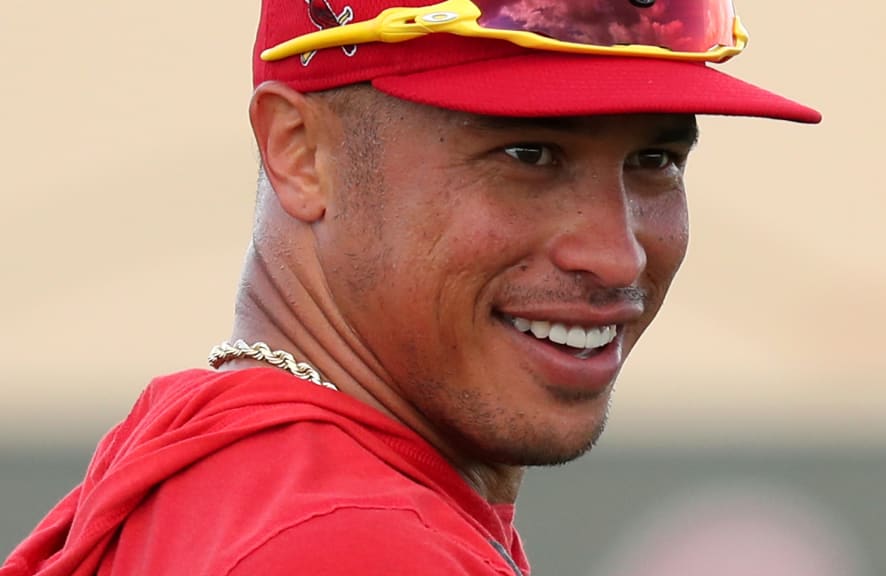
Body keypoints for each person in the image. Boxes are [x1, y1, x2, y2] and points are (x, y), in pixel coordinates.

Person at [2, 0, 819, 574]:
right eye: (529, 154)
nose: (616, 255)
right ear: (300, 153)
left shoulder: (213, 472)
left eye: (656, 160)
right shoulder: (354, 546)